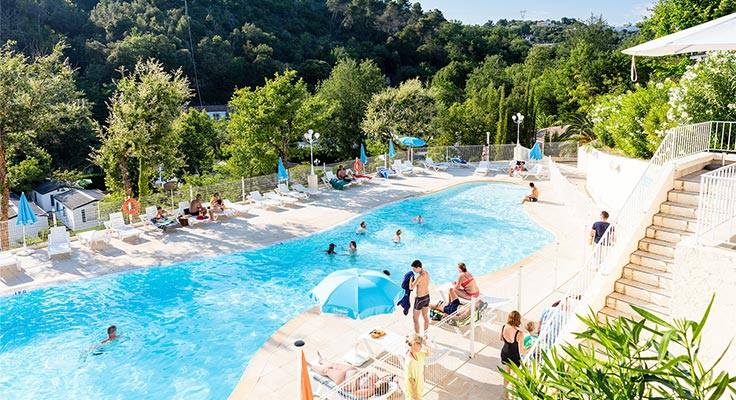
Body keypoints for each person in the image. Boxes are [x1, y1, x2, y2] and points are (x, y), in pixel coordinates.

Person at [308, 352, 392, 397]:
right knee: (335, 365)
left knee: (327, 371)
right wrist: (362, 374)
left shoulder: (369, 391)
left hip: (345, 380)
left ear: (380, 388)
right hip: (352, 371)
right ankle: (321, 360)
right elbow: (387, 375)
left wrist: (358, 378)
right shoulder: (375, 380)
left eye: (382, 382)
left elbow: (354, 392)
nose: (381, 381)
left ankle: (310, 365)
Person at [500, 311, 527, 399]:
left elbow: (501, 338)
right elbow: (522, 351)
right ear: (518, 320)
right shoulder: (519, 334)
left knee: (507, 374)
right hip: (514, 357)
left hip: (505, 353)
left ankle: (505, 395)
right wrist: (530, 348)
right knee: (515, 377)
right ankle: (513, 395)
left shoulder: (503, 327)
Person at [404, 334, 430, 400]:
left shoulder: (417, 353)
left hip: (418, 390)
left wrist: (426, 345)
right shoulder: (410, 361)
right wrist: (416, 397)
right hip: (413, 395)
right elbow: (411, 380)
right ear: (414, 344)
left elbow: (428, 354)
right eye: (420, 345)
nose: (421, 347)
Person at [409, 260, 430, 335]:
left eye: (414, 269)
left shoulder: (419, 276)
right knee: (425, 317)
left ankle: (417, 337)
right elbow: (423, 285)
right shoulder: (427, 273)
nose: (413, 270)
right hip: (427, 297)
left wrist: (410, 278)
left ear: (418, 268)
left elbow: (411, 287)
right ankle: (425, 335)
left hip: (420, 299)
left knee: (415, 319)